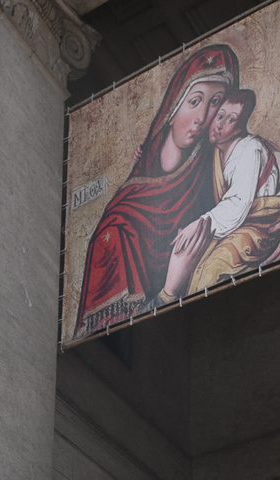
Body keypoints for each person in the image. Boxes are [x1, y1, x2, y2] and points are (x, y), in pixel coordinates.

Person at [72, 44, 238, 338]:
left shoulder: (211, 169)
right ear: (172, 107)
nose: (203, 117)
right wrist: (169, 291)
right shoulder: (116, 228)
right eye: (195, 101)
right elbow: (111, 334)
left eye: (216, 102)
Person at [164, 88, 280, 302]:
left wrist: (199, 223)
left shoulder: (250, 149)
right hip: (237, 224)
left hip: (262, 226)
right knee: (196, 265)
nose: (219, 124)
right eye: (219, 116)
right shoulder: (216, 153)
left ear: (240, 128)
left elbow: (239, 203)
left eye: (230, 120)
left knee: (211, 271)